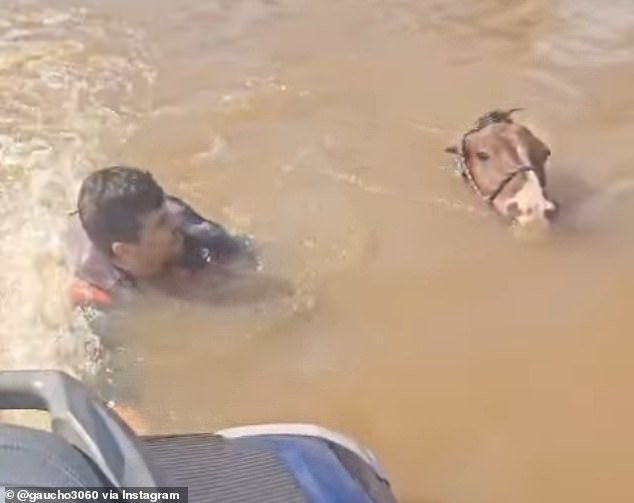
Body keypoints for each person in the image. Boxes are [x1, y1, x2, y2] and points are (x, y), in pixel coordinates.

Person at [66, 166, 261, 431]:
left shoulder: (183, 223)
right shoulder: (96, 289)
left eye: (166, 213)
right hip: (124, 277)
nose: (175, 223)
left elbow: (248, 260)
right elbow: (107, 381)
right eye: (160, 223)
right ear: (124, 251)